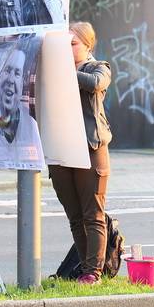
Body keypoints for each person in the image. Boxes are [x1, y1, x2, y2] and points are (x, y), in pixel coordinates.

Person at [48, 22, 113, 285]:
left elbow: (96, 84)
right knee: (75, 216)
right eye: (63, 45)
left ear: (88, 45)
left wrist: (64, 70)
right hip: (61, 148)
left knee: (93, 214)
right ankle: (85, 267)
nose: (67, 49)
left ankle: (93, 272)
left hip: (91, 148)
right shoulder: (55, 71)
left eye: (72, 44)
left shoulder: (99, 67)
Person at [0, 44, 43, 167]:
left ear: (23, 83)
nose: (11, 80)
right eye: (7, 71)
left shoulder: (30, 124)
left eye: (17, 73)